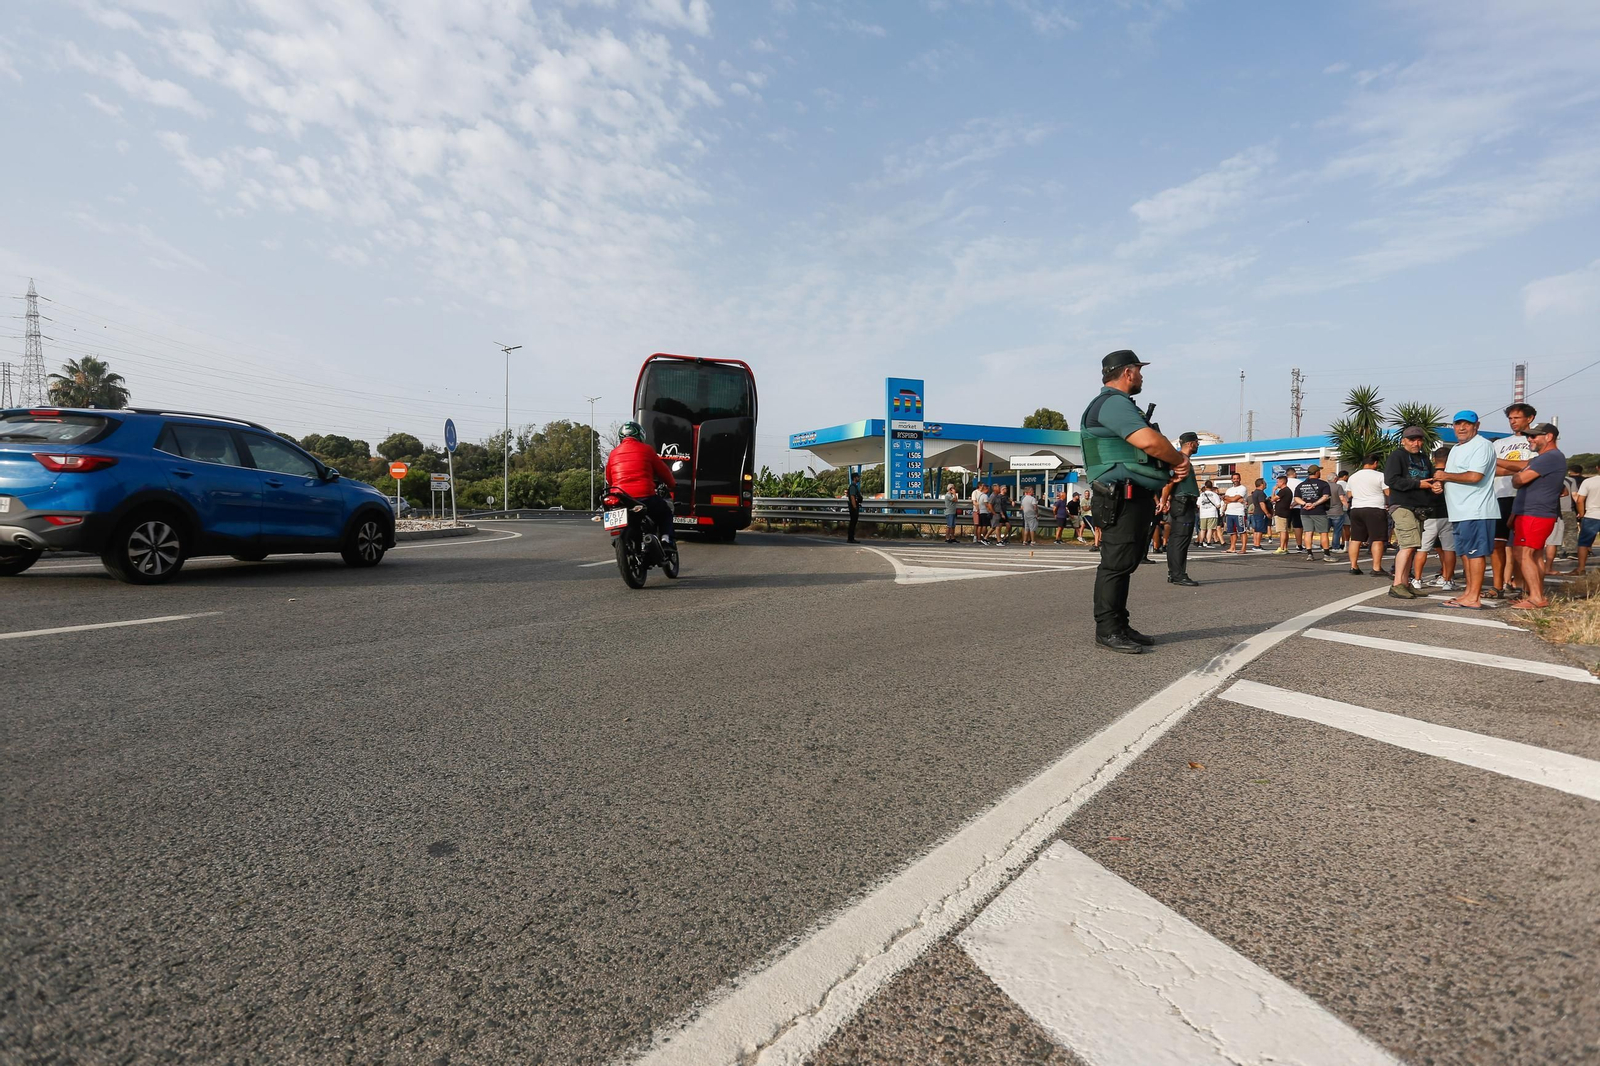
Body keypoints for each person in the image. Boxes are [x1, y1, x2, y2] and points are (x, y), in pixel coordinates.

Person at [1081, 349, 1189, 654]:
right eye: (1139, 370)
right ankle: (1108, 630)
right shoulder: (1112, 404)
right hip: (1120, 496)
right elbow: (1149, 442)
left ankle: (1120, 624)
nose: (1141, 376)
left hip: (1131, 495)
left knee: (1125, 563)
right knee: (1115, 565)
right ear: (1128, 372)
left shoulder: (1119, 405)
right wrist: (1179, 460)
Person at [1433, 410, 1499, 610]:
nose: (1461, 428)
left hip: (1476, 509)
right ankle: (1469, 593)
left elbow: (1474, 476)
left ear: (1476, 425)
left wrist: (1444, 476)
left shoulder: (1482, 445)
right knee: (1466, 554)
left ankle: (1474, 597)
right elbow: (1454, 477)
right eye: (1457, 424)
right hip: (1460, 511)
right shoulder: (1456, 449)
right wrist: (1439, 485)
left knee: (1475, 553)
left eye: (1466, 424)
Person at [1507, 423, 1566, 609]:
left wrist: (1518, 476)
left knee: (1524, 553)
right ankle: (1535, 594)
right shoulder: (1543, 459)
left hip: (1535, 513)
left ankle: (1536, 597)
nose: (1529, 439)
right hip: (1534, 513)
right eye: (1528, 436)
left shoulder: (1550, 457)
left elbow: (1520, 480)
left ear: (1548, 437)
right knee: (1535, 555)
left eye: (1534, 436)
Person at [1382, 428, 1437, 599]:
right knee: (1407, 545)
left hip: (1419, 508)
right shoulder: (1397, 456)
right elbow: (1391, 480)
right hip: (1402, 505)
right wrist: (1419, 484)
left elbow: (1430, 478)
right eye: (1412, 440)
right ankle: (1397, 584)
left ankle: (1405, 583)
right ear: (1403, 440)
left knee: (1413, 546)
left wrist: (1435, 485)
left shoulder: (1424, 458)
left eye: (1419, 440)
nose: (1416, 443)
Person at [605, 421, 678, 545]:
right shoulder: (647, 450)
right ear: (640, 435)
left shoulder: (613, 453)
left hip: (620, 497)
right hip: (644, 496)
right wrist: (672, 484)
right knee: (666, 512)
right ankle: (666, 538)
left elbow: (609, 478)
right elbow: (663, 471)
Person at [1490, 402, 1535, 599]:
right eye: (1510, 418)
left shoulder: (1536, 441)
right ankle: (1497, 586)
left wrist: (1501, 463)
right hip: (1500, 497)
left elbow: (1532, 465)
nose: (1513, 422)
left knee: (1522, 546)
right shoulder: (1499, 444)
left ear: (1529, 418)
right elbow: (1490, 469)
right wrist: (1518, 467)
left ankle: (1522, 585)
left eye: (1516, 418)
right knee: (1497, 544)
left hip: (1525, 498)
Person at [1161, 431, 1201, 585]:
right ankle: (1178, 575)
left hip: (1181, 502)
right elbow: (1170, 481)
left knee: (1175, 540)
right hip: (1183, 502)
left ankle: (1174, 573)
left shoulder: (1181, 458)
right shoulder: (1180, 459)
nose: (1198, 445)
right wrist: (1164, 500)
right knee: (1180, 540)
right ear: (1191, 444)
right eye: (1197, 442)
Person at [1416, 446, 1458, 592]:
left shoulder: (1427, 474)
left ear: (1434, 459)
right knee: (1448, 549)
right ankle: (1448, 580)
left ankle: (1417, 579)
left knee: (1423, 549)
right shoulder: (1453, 475)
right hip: (1449, 515)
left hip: (1429, 516)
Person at [1344, 454, 1388, 574]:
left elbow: (1349, 494)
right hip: (1375, 509)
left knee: (1356, 539)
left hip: (1356, 509)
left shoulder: (1353, 476)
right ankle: (1376, 568)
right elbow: (1388, 492)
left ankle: (1354, 566)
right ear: (1375, 463)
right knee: (1377, 539)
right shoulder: (1380, 475)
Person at [1295, 464, 1333, 560]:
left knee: (1308, 532)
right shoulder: (1323, 484)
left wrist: (1305, 504)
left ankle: (1309, 554)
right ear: (1317, 473)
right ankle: (1326, 555)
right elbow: (1325, 497)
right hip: (1318, 511)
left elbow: (1296, 498)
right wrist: (1314, 504)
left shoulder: (1301, 485)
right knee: (1323, 533)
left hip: (1305, 511)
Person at [1574, 465, 1599, 575]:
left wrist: (1582, 514)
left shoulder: (1589, 482)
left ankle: (1581, 568)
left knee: (1583, 543)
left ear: (1597, 467)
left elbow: (1580, 500)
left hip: (1592, 514)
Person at [1223, 479, 1248, 554]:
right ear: (1232, 480)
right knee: (1232, 532)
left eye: (1237, 478)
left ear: (1240, 479)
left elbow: (1233, 498)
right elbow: (1225, 500)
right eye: (1234, 479)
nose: (1236, 480)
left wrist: (1232, 499)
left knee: (1242, 531)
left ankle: (1243, 548)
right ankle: (1232, 547)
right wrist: (1236, 499)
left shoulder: (1242, 488)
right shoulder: (1229, 490)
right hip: (1229, 512)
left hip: (1239, 513)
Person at [1271, 473, 1294, 554]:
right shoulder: (1288, 491)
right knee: (1285, 530)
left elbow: (1273, 499)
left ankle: (1281, 547)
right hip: (1285, 512)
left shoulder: (1283, 491)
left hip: (1281, 513)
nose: (1277, 484)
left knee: (1282, 531)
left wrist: (1273, 490)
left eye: (1278, 482)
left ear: (1282, 482)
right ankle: (1285, 547)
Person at [1328, 470, 1349, 552]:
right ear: (1335, 479)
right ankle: (1335, 546)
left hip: (1326, 511)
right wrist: (1348, 507)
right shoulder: (1338, 487)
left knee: (1325, 530)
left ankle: (1324, 545)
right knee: (1337, 530)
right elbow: (1342, 499)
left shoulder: (1324, 486)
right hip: (1337, 511)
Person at [1197, 481, 1222, 546]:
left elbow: (1198, 505)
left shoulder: (1201, 494)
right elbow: (1219, 505)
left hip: (1203, 514)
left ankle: (1200, 543)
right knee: (1210, 529)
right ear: (1212, 486)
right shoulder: (1215, 494)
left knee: (1202, 529)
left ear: (1205, 486)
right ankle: (1208, 542)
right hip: (1212, 513)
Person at [1249, 477, 1270, 551]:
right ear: (1261, 484)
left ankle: (1255, 544)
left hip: (1256, 512)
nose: (1266, 484)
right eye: (1264, 483)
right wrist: (1267, 513)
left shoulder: (1255, 492)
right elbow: (1262, 504)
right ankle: (1257, 545)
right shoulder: (1261, 493)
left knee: (1256, 529)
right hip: (1261, 513)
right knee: (1260, 530)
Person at [845, 473, 864, 543]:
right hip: (853, 507)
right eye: (857, 477)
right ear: (854, 478)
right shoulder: (853, 487)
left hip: (854, 506)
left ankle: (851, 538)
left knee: (853, 523)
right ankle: (850, 538)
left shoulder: (854, 486)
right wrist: (855, 507)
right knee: (853, 523)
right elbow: (852, 497)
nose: (858, 478)